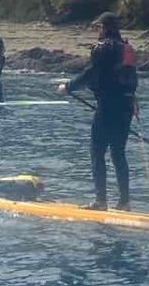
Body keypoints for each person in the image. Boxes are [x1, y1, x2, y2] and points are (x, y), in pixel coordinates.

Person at [58, 13, 139, 209]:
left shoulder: (101, 48)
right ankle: (124, 202)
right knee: (118, 153)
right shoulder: (127, 48)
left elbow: (92, 74)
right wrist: (134, 103)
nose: (96, 32)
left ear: (104, 28)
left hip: (107, 106)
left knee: (97, 152)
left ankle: (101, 201)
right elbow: (131, 79)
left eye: (98, 28)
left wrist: (68, 87)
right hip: (127, 106)